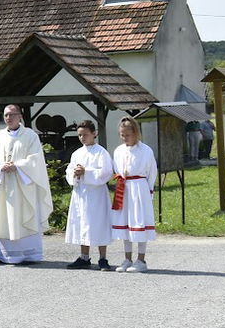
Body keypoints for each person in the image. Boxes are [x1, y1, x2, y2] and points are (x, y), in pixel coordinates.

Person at [0, 104, 53, 265]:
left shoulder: (30, 136)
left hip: (23, 186)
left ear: (20, 116)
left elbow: (35, 159)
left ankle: (29, 254)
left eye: (12, 114)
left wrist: (18, 166)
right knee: (4, 217)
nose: (9, 118)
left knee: (25, 215)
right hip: (3, 185)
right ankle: (6, 255)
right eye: (6, 115)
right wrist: (0, 165)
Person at [64, 120, 114, 270]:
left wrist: (86, 172)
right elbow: (69, 171)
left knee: (98, 223)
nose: (82, 138)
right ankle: (84, 256)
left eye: (85, 134)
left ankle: (103, 258)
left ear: (94, 134)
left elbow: (106, 173)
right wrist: (75, 174)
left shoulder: (101, 152)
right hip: (81, 194)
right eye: (80, 135)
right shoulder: (77, 153)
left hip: (96, 194)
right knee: (82, 222)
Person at [111, 116, 159, 273]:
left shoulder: (145, 150)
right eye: (122, 135)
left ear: (135, 133)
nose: (125, 138)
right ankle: (127, 258)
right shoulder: (118, 151)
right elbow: (116, 169)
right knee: (126, 222)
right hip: (124, 188)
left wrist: (149, 191)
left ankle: (141, 259)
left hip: (139, 188)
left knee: (139, 221)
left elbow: (152, 172)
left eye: (128, 135)